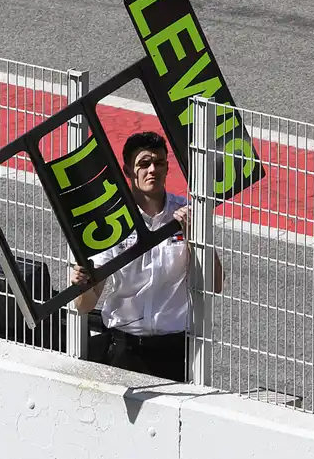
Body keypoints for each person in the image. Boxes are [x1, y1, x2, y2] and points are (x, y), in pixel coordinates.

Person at [70, 130, 222, 382]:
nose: (152, 170)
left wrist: (197, 239)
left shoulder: (187, 214)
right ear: (128, 171)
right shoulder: (112, 222)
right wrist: (81, 285)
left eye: (159, 163)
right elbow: (85, 305)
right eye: (143, 164)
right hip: (124, 346)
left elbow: (215, 284)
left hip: (174, 350)